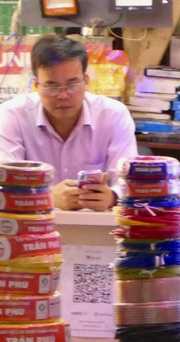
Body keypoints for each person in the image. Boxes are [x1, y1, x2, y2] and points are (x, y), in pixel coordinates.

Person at [0, 35, 137, 212]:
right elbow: (4, 184)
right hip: (30, 226)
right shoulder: (12, 115)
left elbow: (131, 183)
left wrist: (113, 197)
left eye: (72, 84)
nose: (63, 95)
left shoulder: (113, 115)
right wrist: (46, 196)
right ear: (36, 85)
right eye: (52, 86)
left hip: (98, 230)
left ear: (86, 81)